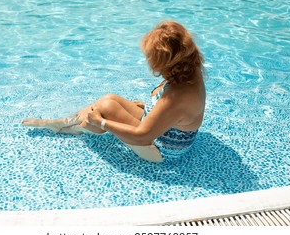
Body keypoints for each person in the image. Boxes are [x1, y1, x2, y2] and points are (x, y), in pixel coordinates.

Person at [22, 20, 206, 163]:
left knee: (104, 111)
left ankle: (69, 126)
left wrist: (102, 123)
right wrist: (152, 108)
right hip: (164, 128)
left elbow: (143, 137)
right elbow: (174, 111)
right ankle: (67, 123)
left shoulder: (177, 97)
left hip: (161, 150)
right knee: (109, 99)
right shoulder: (188, 65)